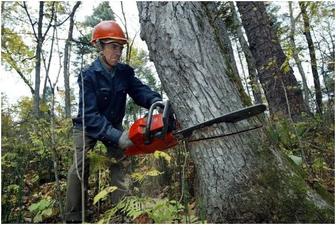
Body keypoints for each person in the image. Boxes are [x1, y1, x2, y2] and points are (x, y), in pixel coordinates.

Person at [65, 20, 162, 223]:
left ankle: (124, 209)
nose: (117, 52)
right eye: (113, 47)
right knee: (79, 166)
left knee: (120, 161)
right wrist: (116, 136)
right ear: (100, 47)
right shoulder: (88, 75)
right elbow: (89, 115)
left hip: (113, 125)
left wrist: (155, 101)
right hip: (87, 126)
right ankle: (74, 216)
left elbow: (139, 90)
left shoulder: (124, 72)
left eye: (120, 47)